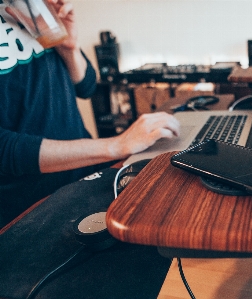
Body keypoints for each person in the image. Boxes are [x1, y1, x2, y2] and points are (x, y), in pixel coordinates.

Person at [0, 0, 180, 227]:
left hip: (84, 177)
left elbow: (86, 86)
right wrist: (115, 145)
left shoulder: (27, 6)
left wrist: (69, 47)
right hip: (29, 208)